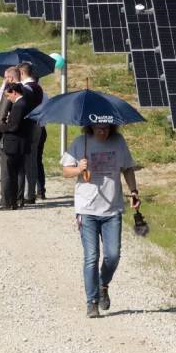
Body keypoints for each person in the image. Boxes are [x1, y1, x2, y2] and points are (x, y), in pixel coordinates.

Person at [61, 123, 140, 318]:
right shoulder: (81, 143)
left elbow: (127, 169)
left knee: (113, 256)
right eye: (98, 128)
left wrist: (134, 191)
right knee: (91, 256)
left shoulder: (118, 142)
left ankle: (102, 284)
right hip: (86, 209)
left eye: (106, 128)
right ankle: (92, 302)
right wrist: (79, 168)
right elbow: (65, 171)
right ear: (91, 128)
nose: (102, 132)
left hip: (112, 210)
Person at [0, 83, 31, 210]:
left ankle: (8, 202)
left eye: (8, 95)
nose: (8, 99)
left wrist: (0, 126)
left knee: (9, 174)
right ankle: (13, 201)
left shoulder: (19, 105)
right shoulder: (25, 103)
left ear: (14, 92)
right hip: (20, 144)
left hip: (13, 144)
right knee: (16, 174)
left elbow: (14, 126)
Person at [0, 67, 20, 209]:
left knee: (6, 170)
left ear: (10, 78)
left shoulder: (10, 91)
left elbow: (2, 113)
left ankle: (6, 201)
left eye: (6, 78)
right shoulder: (27, 90)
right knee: (17, 170)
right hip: (22, 135)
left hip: (8, 136)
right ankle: (15, 199)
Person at [16, 62, 45, 205]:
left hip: (28, 126)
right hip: (38, 124)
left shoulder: (26, 88)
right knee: (33, 159)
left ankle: (27, 193)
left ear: (21, 73)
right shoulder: (39, 87)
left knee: (25, 161)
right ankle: (31, 192)